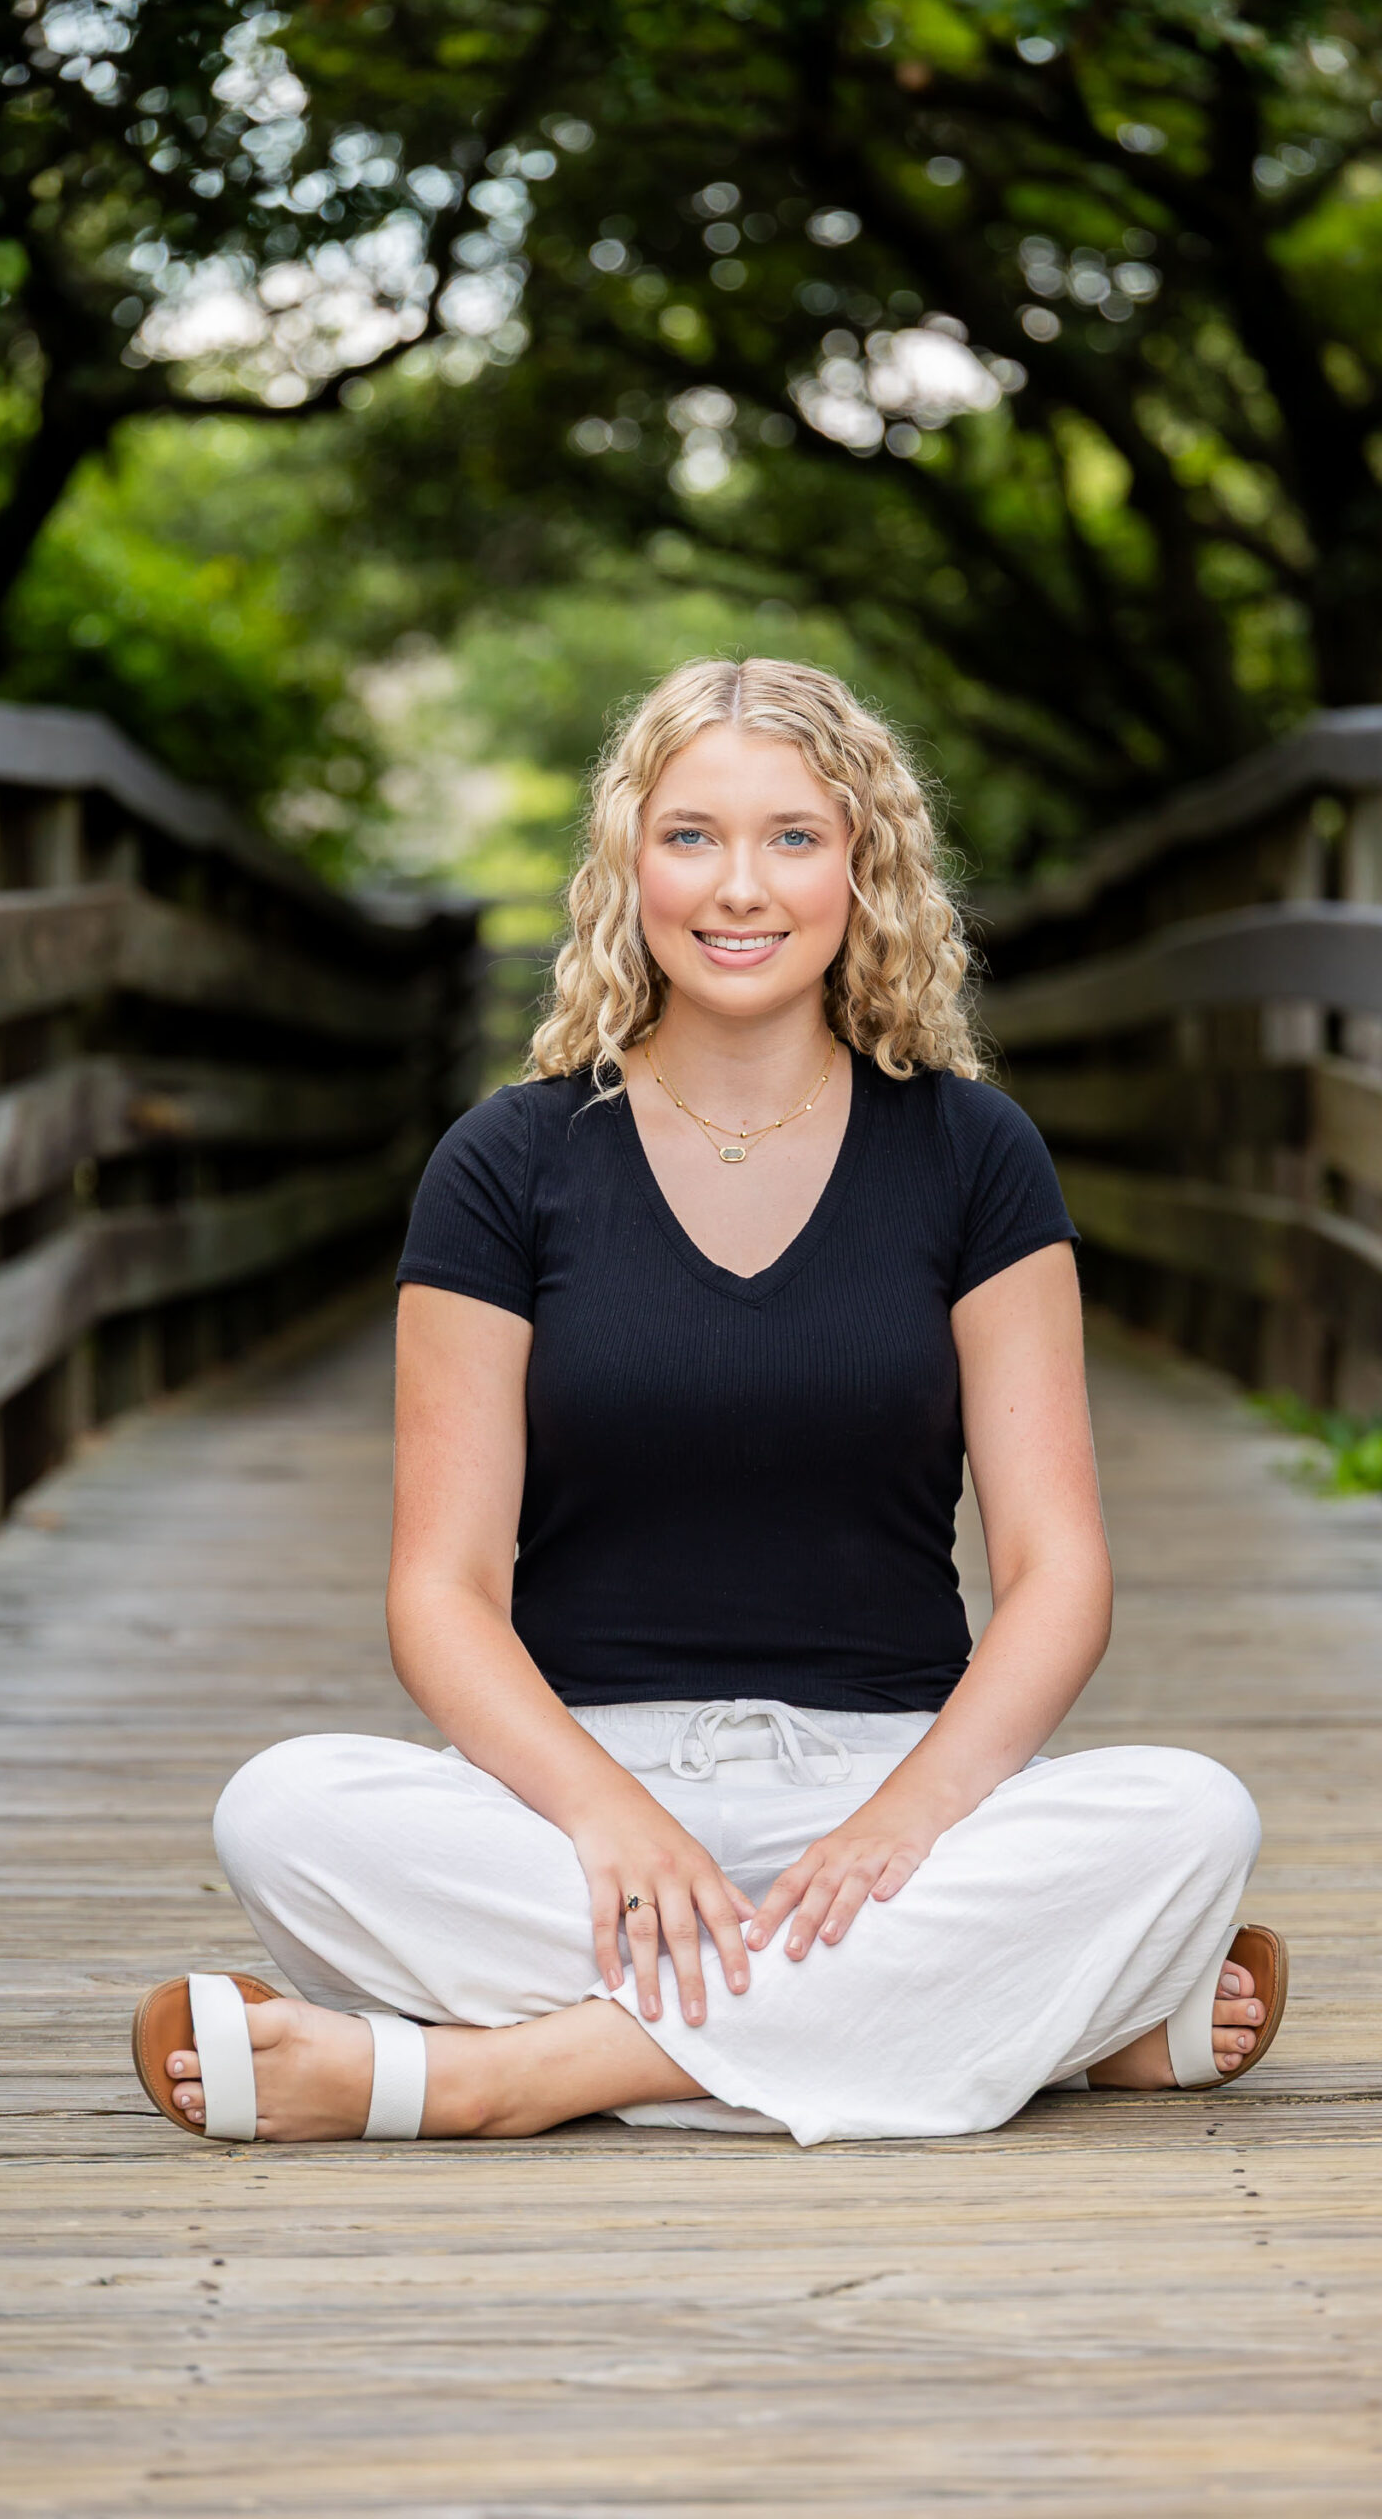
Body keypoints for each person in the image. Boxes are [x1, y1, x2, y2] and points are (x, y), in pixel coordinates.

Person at [130, 656, 1286, 2147]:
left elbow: (1059, 1574)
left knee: (1192, 1815)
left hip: (888, 1784)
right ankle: (1028, 2030)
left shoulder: (974, 1154)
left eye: (793, 837)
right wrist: (612, 1814)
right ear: (629, 861)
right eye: (692, 836)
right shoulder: (508, 1164)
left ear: (866, 866)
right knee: (284, 1808)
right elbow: (443, 1591)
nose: (740, 887)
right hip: (572, 1794)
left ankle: (489, 2077)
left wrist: (907, 1819)